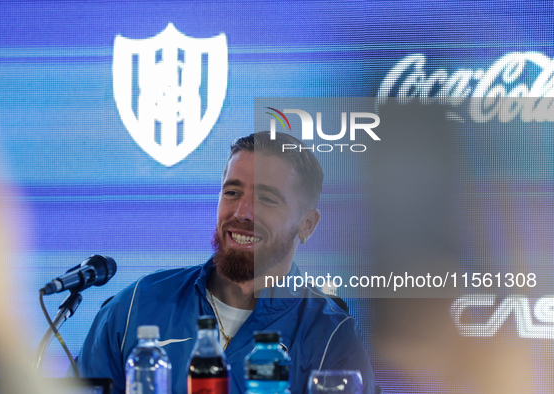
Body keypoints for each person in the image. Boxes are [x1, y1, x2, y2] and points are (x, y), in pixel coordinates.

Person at [75, 131, 381, 394]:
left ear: (307, 225)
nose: (242, 212)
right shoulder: (136, 306)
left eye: (267, 198)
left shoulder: (330, 336)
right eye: (232, 192)